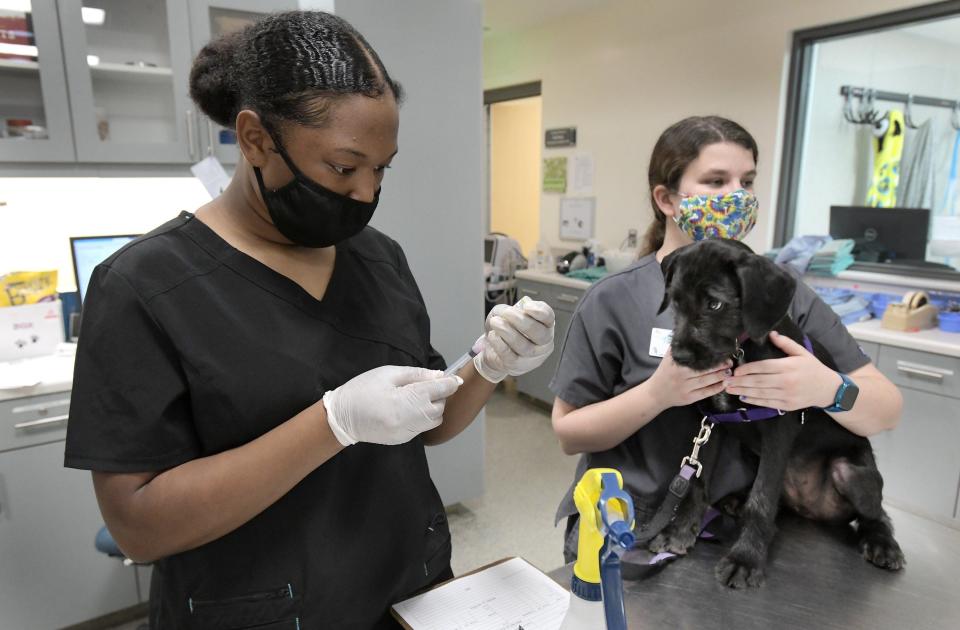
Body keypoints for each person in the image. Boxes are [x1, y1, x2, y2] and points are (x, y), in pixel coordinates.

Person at [64, 11, 554, 629]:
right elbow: (137, 525)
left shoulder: (378, 258)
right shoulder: (143, 286)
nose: (366, 193)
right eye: (344, 168)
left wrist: (488, 365)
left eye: (382, 169)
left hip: (408, 594)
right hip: (260, 610)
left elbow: (426, 422)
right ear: (256, 140)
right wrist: (332, 423)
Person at [550, 116, 903, 561]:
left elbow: (887, 408)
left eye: (747, 181)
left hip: (738, 528)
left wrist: (829, 389)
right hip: (629, 521)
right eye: (716, 181)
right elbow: (568, 433)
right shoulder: (611, 300)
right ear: (666, 199)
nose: (736, 195)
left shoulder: (777, 290)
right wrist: (656, 395)